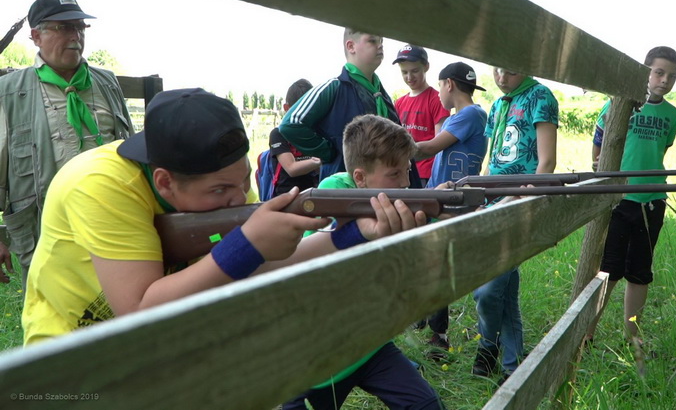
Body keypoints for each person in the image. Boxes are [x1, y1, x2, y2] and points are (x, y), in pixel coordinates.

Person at [21, 88, 426, 346]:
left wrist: (354, 236)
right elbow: (138, 310)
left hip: (160, 349)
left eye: (244, 180)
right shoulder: (97, 185)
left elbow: (263, 265)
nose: (240, 198)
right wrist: (245, 244)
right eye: (220, 191)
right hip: (68, 352)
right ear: (164, 182)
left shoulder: (225, 182)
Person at [283, 114, 443, 410]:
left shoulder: (391, 205)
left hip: (367, 344)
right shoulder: (329, 199)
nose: (406, 183)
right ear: (360, 177)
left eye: (406, 171)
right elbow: (303, 266)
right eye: (394, 174)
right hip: (314, 356)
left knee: (427, 405)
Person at [0, 0, 133, 288]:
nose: (75, 37)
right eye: (63, 28)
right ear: (36, 36)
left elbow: (130, 146)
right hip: (45, 231)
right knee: (54, 321)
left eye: (79, 27)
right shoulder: (8, 92)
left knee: (119, 308)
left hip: (113, 220)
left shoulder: (107, 83)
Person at [586, 46, 676, 346]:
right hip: (618, 200)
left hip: (652, 201)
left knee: (640, 271)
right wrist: (598, 163)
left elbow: (659, 152)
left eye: (672, 76)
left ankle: (633, 335)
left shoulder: (672, 115)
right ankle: (587, 332)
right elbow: (601, 139)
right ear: (645, 72)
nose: (665, 80)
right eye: (659, 72)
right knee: (608, 269)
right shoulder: (622, 104)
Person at [472, 68, 559, 380]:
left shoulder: (541, 96)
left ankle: (487, 348)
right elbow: (491, 158)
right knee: (504, 288)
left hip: (521, 200)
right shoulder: (497, 105)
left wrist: (524, 201)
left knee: (488, 287)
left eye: (508, 69)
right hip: (491, 200)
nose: (500, 76)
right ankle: (511, 363)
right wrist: (481, 194)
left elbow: (547, 162)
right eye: (495, 67)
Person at [411, 62, 488, 358]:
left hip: (450, 201)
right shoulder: (475, 115)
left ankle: (438, 336)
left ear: (449, 85)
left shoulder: (467, 114)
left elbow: (428, 148)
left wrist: (394, 146)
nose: (439, 92)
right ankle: (431, 324)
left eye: (440, 85)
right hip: (447, 197)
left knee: (437, 264)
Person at [279, 28, 420, 188]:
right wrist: (329, 151)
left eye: (381, 41)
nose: (380, 46)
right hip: (344, 190)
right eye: (372, 41)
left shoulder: (381, 95)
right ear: (351, 46)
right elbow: (291, 124)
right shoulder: (334, 87)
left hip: (384, 188)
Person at [392, 44, 450, 186]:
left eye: (415, 71)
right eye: (404, 72)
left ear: (426, 67)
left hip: (427, 173)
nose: (409, 77)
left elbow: (439, 142)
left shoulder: (437, 99)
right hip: (404, 172)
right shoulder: (399, 103)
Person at [267, 79, 321, 197]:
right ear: (287, 108)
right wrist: (321, 159)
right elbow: (291, 168)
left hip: (313, 195)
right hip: (286, 197)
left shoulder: (315, 132)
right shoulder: (278, 134)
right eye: (298, 111)